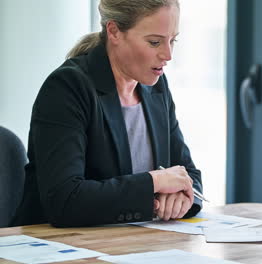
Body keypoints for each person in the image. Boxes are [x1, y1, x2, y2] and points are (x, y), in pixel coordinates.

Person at [11, 0, 204, 227]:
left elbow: (188, 175)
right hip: (59, 248)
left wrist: (180, 197)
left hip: (133, 244)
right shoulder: (67, 87)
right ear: (114, 32)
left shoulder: (156, 88)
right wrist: (153, 183)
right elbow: (64, 200)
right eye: (154, 42)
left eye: (173, 41)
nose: (168, 54)